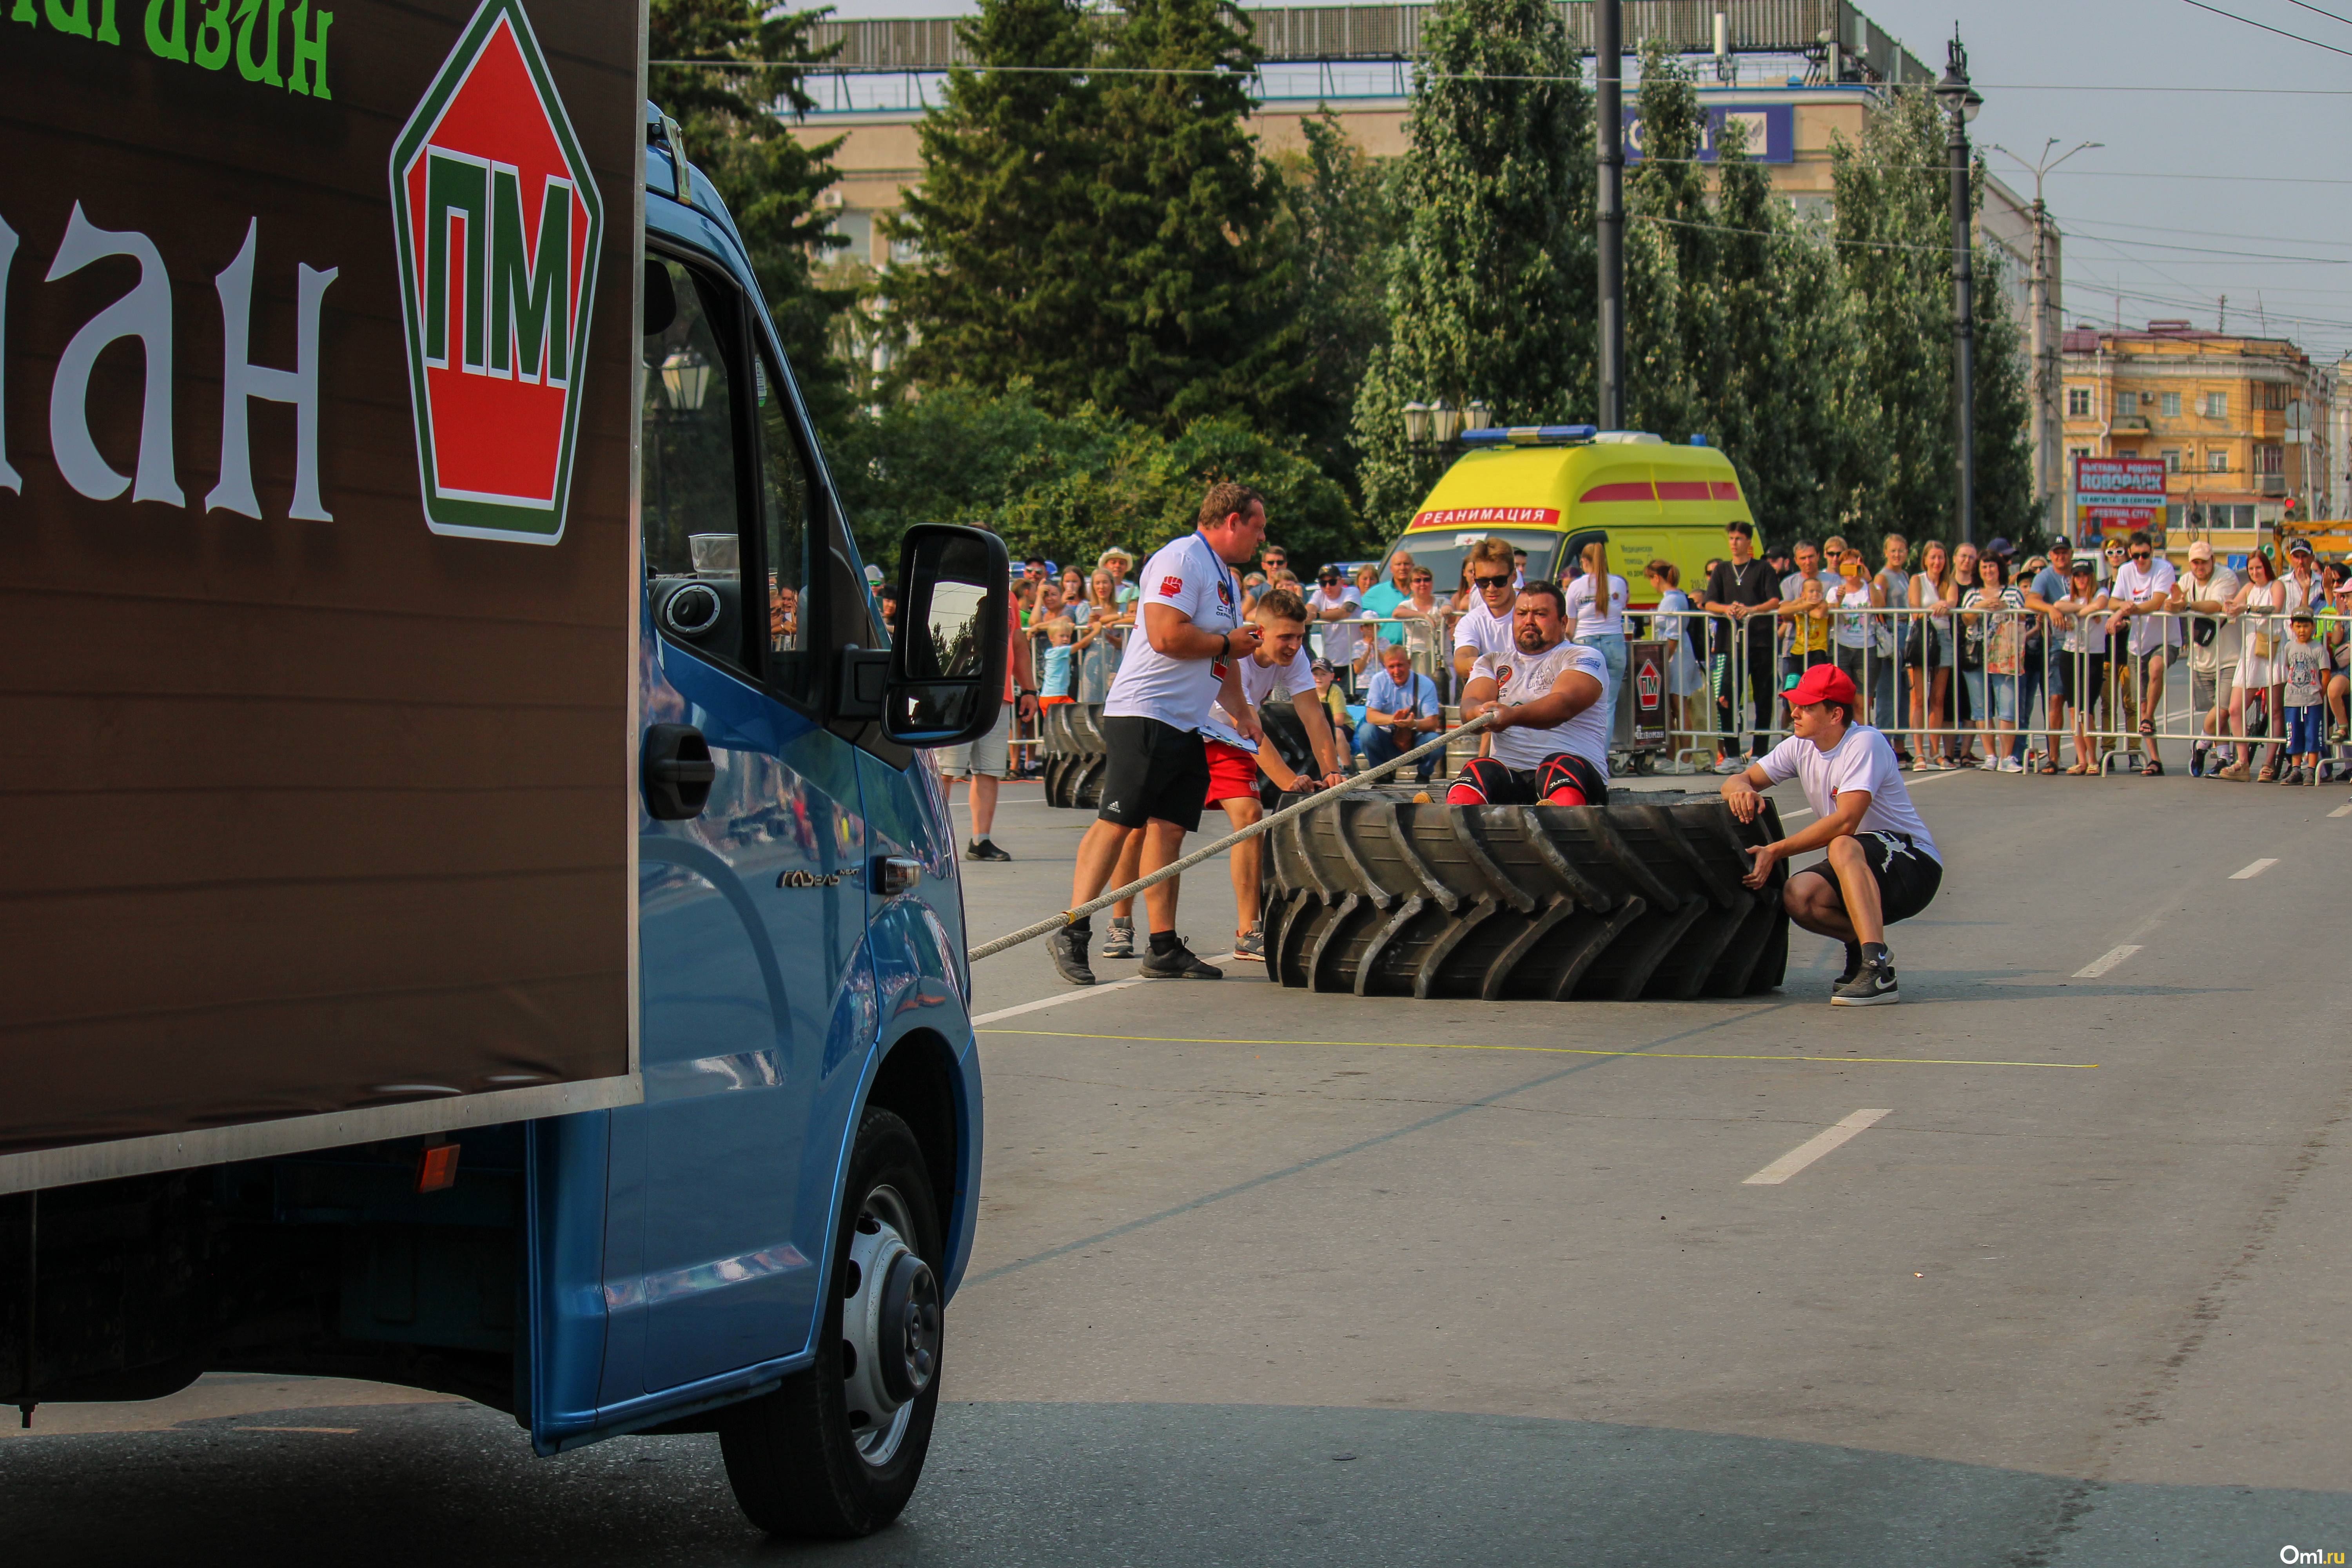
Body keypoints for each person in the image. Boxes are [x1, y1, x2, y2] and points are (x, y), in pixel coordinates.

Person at [1050, 482, 1267, 986]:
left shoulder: (1227, 579)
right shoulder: (1181, 559)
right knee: (1118, 822)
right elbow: (1167, 635)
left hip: (1185, 721)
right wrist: (1225, 642)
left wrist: (1243, 711)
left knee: (1168, 830)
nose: (1260, 539)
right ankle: (1072, 930)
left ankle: (1163, 946)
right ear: (1232, 521)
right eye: (1256, 528)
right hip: (1145, 713)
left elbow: (1226, 654)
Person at [1721, 663, 1942, 1007]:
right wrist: (1740, 790)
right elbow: (1739, 779)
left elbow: (1846, 823)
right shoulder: (1799, 745)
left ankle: (1877, 972)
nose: (1794, 713)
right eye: (1795, 704)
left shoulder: (1864, 742)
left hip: (1913, 864)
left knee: (1841, 843)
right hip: (1859, 861)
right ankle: (1865, 949)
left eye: (1807, 707)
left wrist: (1775, 850)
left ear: (1835, 713)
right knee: (1799, 896)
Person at [1201, 588, 1348, 960]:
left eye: (1300, 637)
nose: (1294, 646)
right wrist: (1286, 780)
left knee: (1251, 818)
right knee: (1147, 828)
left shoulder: (1296, 657)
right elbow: (1246, 722)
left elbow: (1314, 716)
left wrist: (1332, 770)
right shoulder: (1241, 654)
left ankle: (1248, 931)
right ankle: (1120, 922)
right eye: (1286, 637)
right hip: (1189, 733)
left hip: (1229, 741)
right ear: (1259, 631)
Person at [1444, 581, 1613, 807]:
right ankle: (1454, 823)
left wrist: (1512, 716)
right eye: (1522, 613)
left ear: (1563, 622)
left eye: (1540, 614)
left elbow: (1563, 705)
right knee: (1479, 769)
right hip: (1515, 780)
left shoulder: (1585, 657)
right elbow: (1471, 703)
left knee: (1557, 766)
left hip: (1574, 779)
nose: (1529, 621)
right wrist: (1477, 712)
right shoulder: (1491, 662)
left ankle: (1566, 825)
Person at [936, 592, 1038, 863]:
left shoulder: (1010, 596)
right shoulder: (958, 592)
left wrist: (1028, 689)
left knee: (989, 770)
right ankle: (933, 838)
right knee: (946, 771)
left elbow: (1018, 644)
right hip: (959, 694)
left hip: (997, 694)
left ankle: (981, 840)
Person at [1702, 521, 1781, 771]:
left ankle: (1760, 752)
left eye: (1739, 538)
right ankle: (1732, 754)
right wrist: (1727, 609)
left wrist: (1752, 610)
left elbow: (1774, 600)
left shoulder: (1763, 568)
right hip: (1730, 644)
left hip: (1760, 642)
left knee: (1763, 697)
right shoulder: (1722, 570)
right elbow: (1709, 603)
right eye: (1732, 538)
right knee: (1725, 697)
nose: (1734, 543)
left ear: (1749, 542)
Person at [2103, 531, 2176, 776]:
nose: (2141, 560)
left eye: (2145, 555)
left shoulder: (2164, 569)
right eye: (2136, 556)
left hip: (2165, 639)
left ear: (2152, 553)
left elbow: (2156, 603)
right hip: (2137, 644)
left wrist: (2126, 611)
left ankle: (2147, 719)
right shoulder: (2125, 571)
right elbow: (2113, 601)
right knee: (2142, 700)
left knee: (2157, 668)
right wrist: (2120, 608)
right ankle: (2154, 760)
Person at [2169, 540, 2241, 778]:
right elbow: (2172, 602)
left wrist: (2186, 604)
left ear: (2213, 560)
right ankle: (2224, 758)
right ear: (2190, 563)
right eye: (2195, 562)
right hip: (2200, 659)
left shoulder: (2226, 576)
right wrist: (2173, 603)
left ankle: (2200, 745)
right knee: (2213, 711)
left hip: (2229, 656)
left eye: (2204, 561)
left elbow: (2216, 605)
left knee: (2223, 710)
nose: (2200, 567)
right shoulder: (2187, 581)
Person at [2218, 548, 2285, 781]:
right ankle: (2243, 762)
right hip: (2250, 650)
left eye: (2259, 568)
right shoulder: (2248, 589)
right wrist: (2229, 607)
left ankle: (2269, 763)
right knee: (2235, 709)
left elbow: (2274, 609)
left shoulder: (2276, 586)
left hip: (2272, 648)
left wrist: (2245, 608)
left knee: (2275, 710)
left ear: (2266, 567)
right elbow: (2231, 608)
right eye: (2251, 569)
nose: (2255, 573)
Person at [1960, 552, 2027, 772]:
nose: (1988, 571)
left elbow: (2023, 617)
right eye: (1984, 567)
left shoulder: (2014, 592)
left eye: (1992, 567)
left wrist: (2004, 608)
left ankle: (2008, 756)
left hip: (2005, 654)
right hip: (1977, 653)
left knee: (2007, 706)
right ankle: (1991, 755)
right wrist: (1981, 606)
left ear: (2000, 569)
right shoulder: (1972, 594)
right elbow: (1966, 619)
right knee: (1981, 708)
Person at [1563, 538, 1631, 740]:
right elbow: (1623, 607)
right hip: (1614, 643)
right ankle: (1603, 757)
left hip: (1585, 645)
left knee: (1583, 707)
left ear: (1584, 561)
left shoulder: (1576, 586)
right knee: (1608, 706)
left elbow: (1570, 625)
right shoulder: (1618, 583)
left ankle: (1584, 752)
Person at [2051, 557, 2110, 774]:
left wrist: (2077, 614)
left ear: (2092, 577)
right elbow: (2058, 606)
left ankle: (2093, 760)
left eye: (2085, 575)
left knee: (2087, 709)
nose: (2081, 579)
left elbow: (2099, 606)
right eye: (2077, 575)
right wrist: (2084, 609)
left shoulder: (2102, 593)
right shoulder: (2068, 598)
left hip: (2093, 655)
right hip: (2071, 654)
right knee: (2074, 710)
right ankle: (2082, 760)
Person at [2021, 540, 2076, 774]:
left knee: (2081, 705)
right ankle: (2053, 757)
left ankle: (2089, 757)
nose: (2061, 557)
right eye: (2056, 553)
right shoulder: (2044, 576)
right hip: (2058, 646)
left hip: (2086, 644)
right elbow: (2031, 600)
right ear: (2051, 555)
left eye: (2065, 553)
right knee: (2055, 699)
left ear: (2071, 554)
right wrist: (2052, 608)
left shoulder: (2081, 572)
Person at [1646, 559, 1707, 769]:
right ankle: (1674, 756)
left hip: (1677, 655)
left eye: (1651, 580)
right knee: (1672, 707)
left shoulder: (1672, 600)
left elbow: (1673, 635)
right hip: (1676, 653)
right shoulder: (1675, 597)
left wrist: (1661, 661)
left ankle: (1686, 758)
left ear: (1657, 578)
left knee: (1679, 705)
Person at [1359, 640, 1444, 782]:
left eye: (1400, 665)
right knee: (1366, 732)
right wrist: (1394, 720)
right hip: (1387, 740)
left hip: (1416, 742)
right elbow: (1371, 716)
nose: (1396, 671)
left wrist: (1413, 724)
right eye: (1391, 667)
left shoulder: (1426, 684)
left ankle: (1424, 774)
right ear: (1385, 667)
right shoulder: (1378, 681)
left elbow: (1433, 723)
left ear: (1409, 664)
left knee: (1435, 741)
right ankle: (1381, 774)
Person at [1907, 540, 1956, 771]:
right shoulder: (1917, 580)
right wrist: (1936, 607)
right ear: (1925, 559)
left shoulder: (1950, 581)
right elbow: (1916, 608)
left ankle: (1935, 751)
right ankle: (1919, 753)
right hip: (1921, 636)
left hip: (1943, 637)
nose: (1937, 562)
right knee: (1918, 698)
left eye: (1941, 557)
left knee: (1938, 698)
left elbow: (1953, 602)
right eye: (1933, 557)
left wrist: (1945, 604)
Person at [1452, 537, 1522, 686]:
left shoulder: (1532, 612)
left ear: (1514, 576)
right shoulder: (1471, 622)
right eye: (1483, 582)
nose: (1491, 589)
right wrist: (1477, 665)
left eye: (1500, 581)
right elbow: (1461, 660)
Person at [1828, 547, 1884, 732]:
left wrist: (1869, 580)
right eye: (1847, 567)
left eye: (1855, 566)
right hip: (1841, 646)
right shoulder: (1835, 591)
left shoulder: (1871, 588)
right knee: (1843, 701)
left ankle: (1865, 739)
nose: (1852, 571)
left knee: (1862, 703)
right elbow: (1831, 621)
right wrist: (1838, 601)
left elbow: (1881, 608)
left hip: (1867, 647)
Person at [2281, 610, 2328, 785]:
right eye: (2298, 626)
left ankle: (2311, 769)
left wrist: (2319, 693)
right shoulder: (2289, 647)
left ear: (2313, 627)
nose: (2302, 630)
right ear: (2292, 627)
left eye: (2306, 626)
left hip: (2313, 699)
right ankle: (2295, 770)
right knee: (2294, 735)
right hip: (2293, 699)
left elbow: (2326, 674)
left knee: (2313, 734)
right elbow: (2288, 667)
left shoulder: (2318, 648)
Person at [1875, 534, 1912, 745]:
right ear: (1886, 553)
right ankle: (1884, 743)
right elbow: (1879, 607)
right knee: (1889, 691)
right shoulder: (1883, 577)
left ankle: (1899, 745)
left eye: (1901, 550)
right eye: (1893, 551)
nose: (1897, 555)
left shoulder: (1905, 575)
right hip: (1892, 630)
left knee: (1905, 692)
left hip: (1907, 632)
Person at [1777, 577, 1832, 716]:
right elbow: (1783, 610)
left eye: (1818, 591)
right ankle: (1797, 716)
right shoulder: (1801, 603)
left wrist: (1804, 609)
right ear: (1803, 594)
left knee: (1815, 689)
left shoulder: (1824, 604)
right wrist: (1802, 607)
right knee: (1791, 686)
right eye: (1811, 591)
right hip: (1798, 651)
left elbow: (1820, 614)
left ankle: (1815, 718)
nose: (1815, 595)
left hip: (1817, 651)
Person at [1308, 566, 1364, 694]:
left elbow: (1345, 613)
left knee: (1352, 699)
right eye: (1323, 583)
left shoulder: (1352, 592)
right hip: (1331, 662)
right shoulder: (1319, 594)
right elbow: (1308, 610)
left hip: (1353, 660)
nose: (1328, 587)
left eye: (1332, 582)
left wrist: (1317, 615)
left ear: (1341, 582)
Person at [1361, 549, 1417, 647]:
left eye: (1406, 564)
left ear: (1413, 567)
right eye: (1398, 564)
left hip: (1417, 650)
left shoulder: (1421, 590)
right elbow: (1355, 613)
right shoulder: (1376, 592)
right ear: (1391, 569)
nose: (1403, 568)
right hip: (1386, 653)